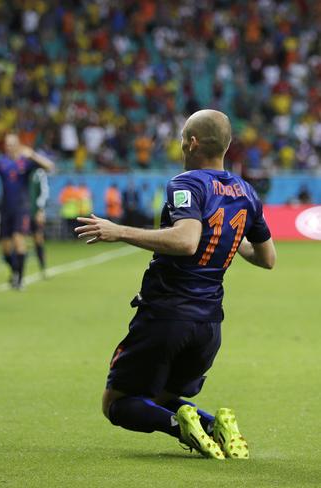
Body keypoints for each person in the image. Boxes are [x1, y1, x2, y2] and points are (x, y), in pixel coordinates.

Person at [75, 109, 276, 459]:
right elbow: (267, 258)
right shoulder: (246, 191)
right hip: (209, 325)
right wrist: (227, 234)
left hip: (166, 314)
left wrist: (117, 231)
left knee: (116, 403)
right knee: (162, 396)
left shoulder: (186, 183)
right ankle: (215, 425)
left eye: (183, 136)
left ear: (192, 142)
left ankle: (179, 426)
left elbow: (186, 241)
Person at [0, 133, 54, 289]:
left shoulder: (26, 162)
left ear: (18, 145)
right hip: (5, 208)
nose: (10, 147)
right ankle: (15, 271)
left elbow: (49, 166)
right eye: (8, 144)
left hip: (21, 208)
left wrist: (32, 154)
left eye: (13, 144)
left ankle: (19, 279)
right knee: (5, 249)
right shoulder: (0, 162)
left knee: (19, 242)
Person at [29, 167, 49, 276]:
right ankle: (16, 272)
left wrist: (41, 210)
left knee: (38, 239)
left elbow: (44, 192)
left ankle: (43, 267)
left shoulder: (39, 172)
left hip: (34, 211)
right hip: (21, 212)